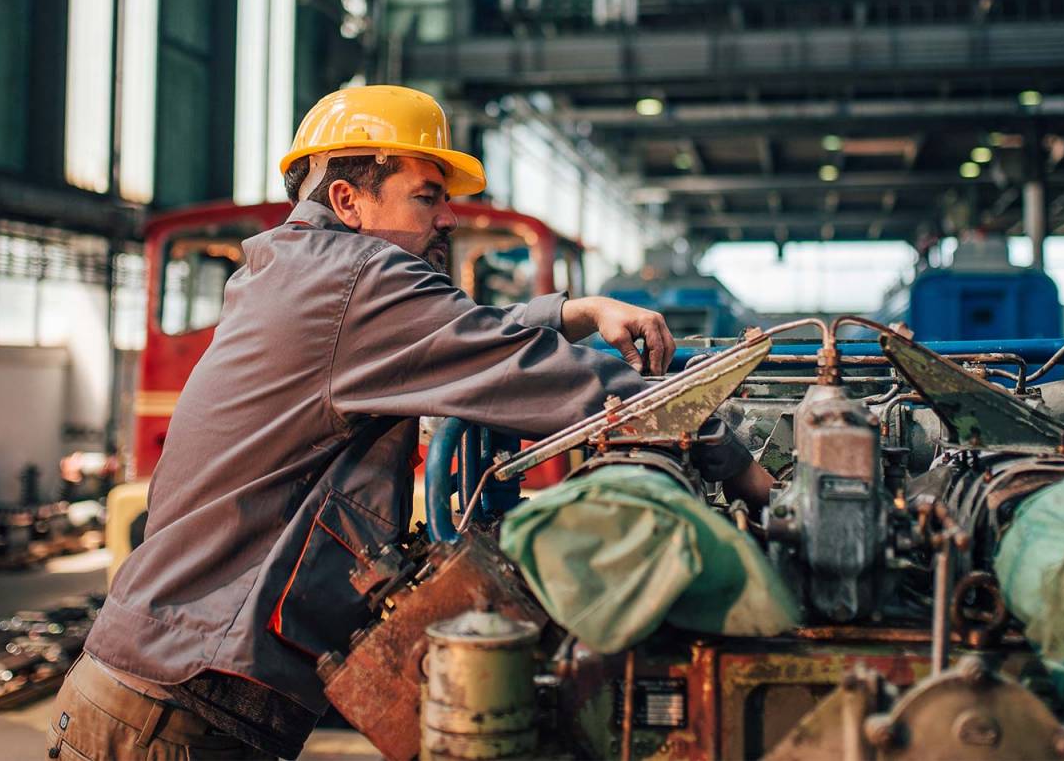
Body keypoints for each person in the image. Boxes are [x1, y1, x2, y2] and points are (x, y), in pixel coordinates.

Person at [50, 85, 774, 760]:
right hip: (174, 711)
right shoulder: (355, 277)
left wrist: (568, 311)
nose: (448, 217)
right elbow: (553, 378)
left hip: (156, 690)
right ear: (348, 199)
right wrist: (737, 464)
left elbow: (459, 336)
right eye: (427, 196)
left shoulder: (299, 270)